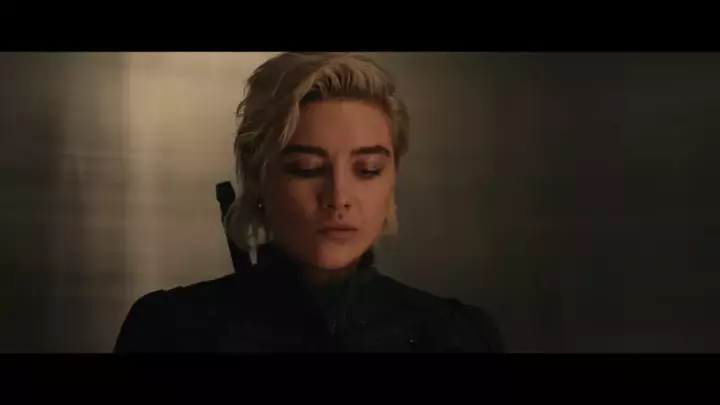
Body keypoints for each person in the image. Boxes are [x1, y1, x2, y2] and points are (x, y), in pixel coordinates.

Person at [114, 52, 503, 353]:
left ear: (392, 178)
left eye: (368, 170)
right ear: (257, 177)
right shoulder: (170, 330)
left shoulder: (456, 336)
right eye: (306, 169)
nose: (338, 198)